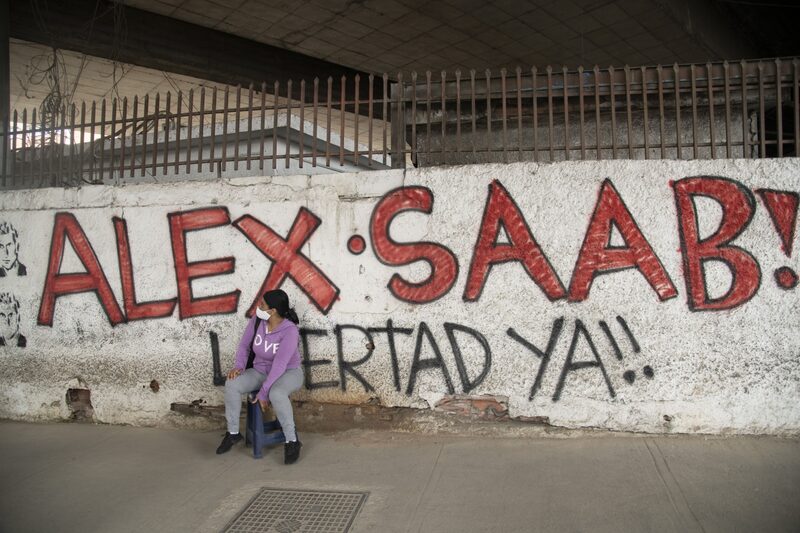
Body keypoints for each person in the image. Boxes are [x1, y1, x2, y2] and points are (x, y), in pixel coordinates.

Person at [216, 289, 304, 464]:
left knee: (276, 394)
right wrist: (239, 367)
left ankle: (292, 441)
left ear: (273, 311)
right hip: (259, 371)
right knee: (232, 384)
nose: (258, 307)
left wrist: (263, 393)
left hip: (288, 373)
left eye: (262, 305)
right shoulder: (258, 321)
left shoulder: (290, 331)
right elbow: (244, 346)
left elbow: (279, 365)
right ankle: (233, 433)